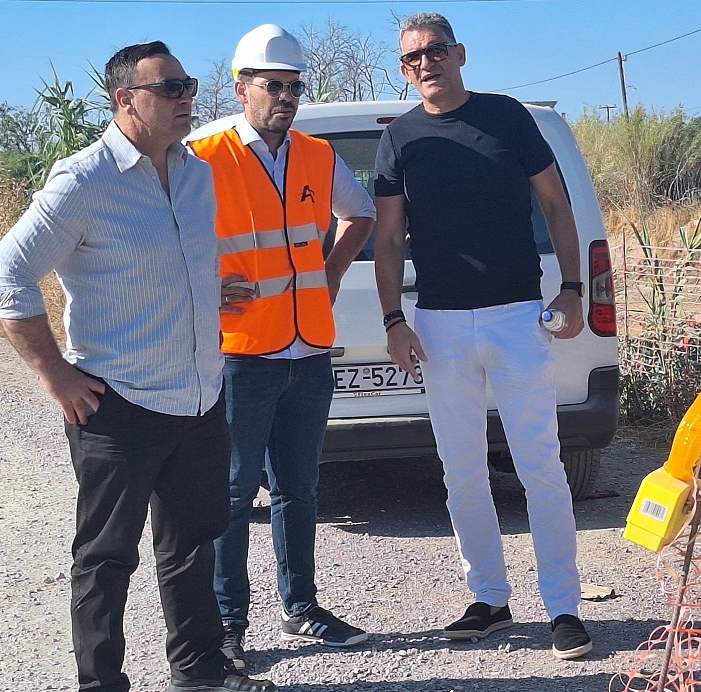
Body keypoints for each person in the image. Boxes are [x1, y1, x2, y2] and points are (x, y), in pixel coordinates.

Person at [0, 41, 276, 692]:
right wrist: (54, 374)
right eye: (169, 88)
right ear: (126, 100)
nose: (186, 98)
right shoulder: (84, 181)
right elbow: (7, 274)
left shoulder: (197, 174)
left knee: (193, 545)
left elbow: (165, 261)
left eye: (187, 85)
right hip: (117, 406)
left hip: (200, 398)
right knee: (106, 557)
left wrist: (209, 289)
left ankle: (198, 675)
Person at [372, 12, 593, 661]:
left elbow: (556, 205)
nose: (426, 63)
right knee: (462, 470)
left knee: (540, 465)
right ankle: (490, 598)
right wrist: (393, 320)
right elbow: (388, 238)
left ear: (459, 53)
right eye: (412, 57)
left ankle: (563, 608)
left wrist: (573, 289)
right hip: (440, 324)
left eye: (435, 50)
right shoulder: (400, 138)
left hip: (516, 317)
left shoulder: (506, 118)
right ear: (404, 69)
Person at [185, 24, 375, 667]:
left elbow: (360, 215)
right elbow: (165, 236)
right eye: (274, 85)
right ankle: (227, 623)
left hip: (308, 352)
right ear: (241, 89)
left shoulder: (318, 155)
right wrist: (203, 287)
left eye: (295, 86)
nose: (287, 97)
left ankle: (301, 608)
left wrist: (331, 272)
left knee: (299, 490)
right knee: (233, 495)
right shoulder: (201, 155)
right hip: (241, 355)